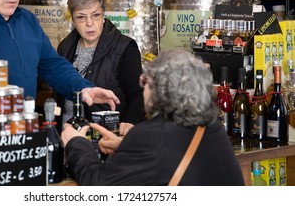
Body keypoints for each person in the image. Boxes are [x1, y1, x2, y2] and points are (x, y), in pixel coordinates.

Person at [61, 49, 245, 186]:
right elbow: (169, 154)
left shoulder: (151, 135)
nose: (142, 88)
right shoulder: (211, 125)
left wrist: (76, 143)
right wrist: (126, 145)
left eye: (145, 81)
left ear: (160, 89)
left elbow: (98, 186)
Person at [57, 0, 145, 131]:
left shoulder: (124, 48)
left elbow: (138, 96)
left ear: (104, 14)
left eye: (95, 15)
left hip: (106, 139)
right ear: (72, 19)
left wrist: (129, 124)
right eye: (81, 17)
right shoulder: (64, 48)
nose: (89, 23)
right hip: (67, 139)